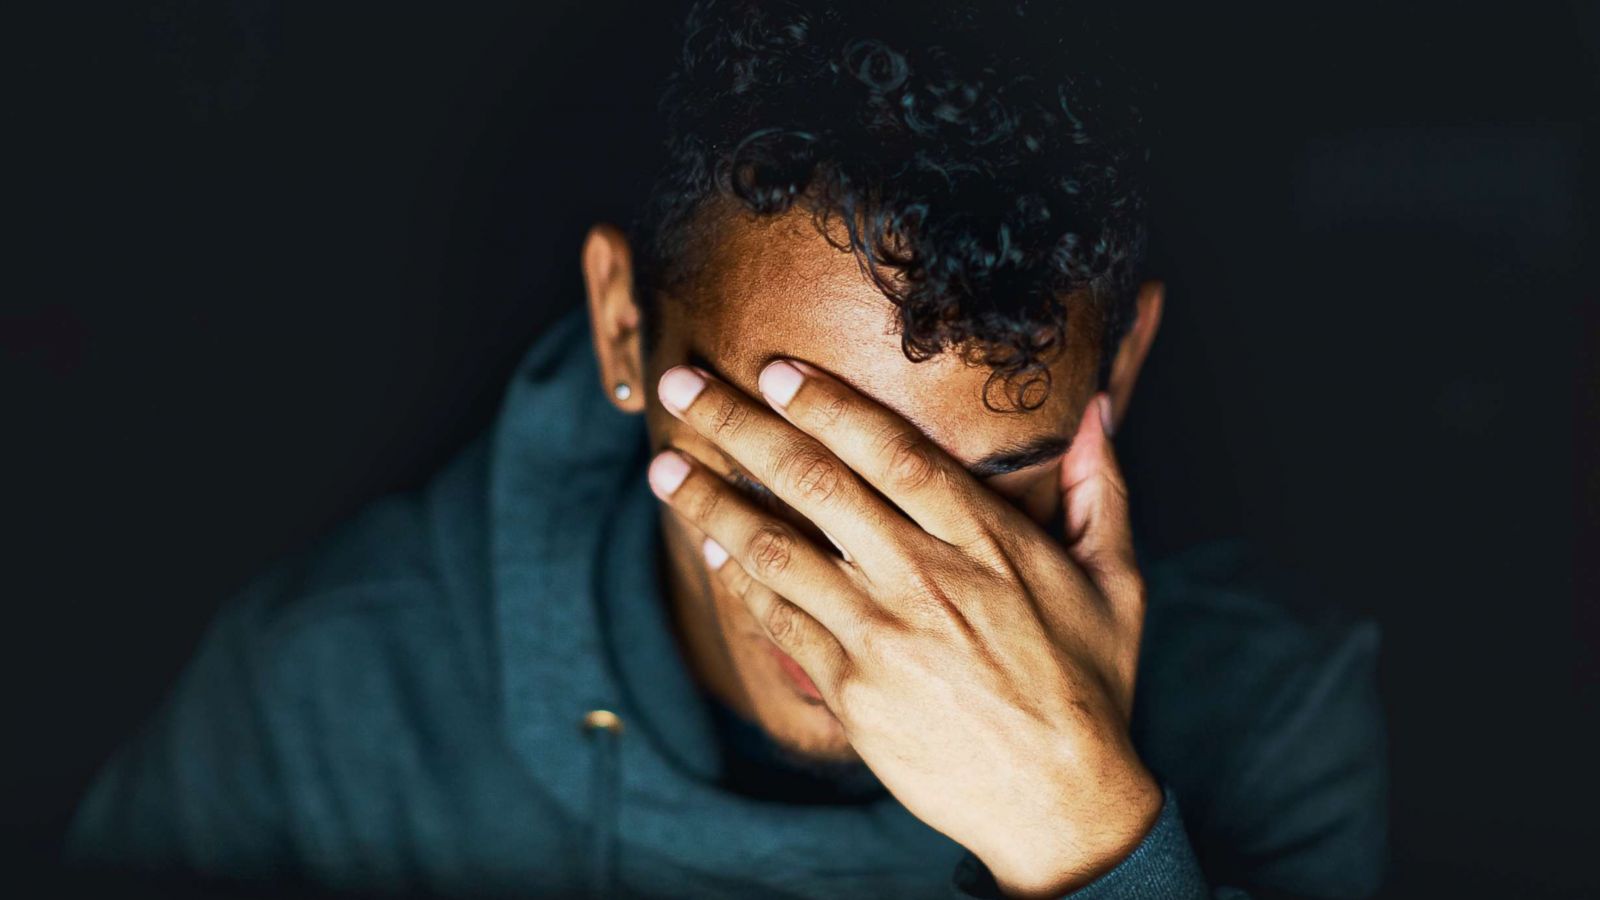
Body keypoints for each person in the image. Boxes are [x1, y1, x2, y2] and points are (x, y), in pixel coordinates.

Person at [65, 1, 1386, 897]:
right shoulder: (329, 697)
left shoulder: (1271, 712)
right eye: (790, 450)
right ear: (623, 326)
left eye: (987, 486)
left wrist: (1092, 840)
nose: (885, 588)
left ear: (1127, 363)